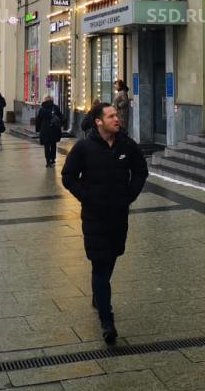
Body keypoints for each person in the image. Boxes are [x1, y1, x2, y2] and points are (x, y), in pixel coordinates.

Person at [62, 103, 148, 343]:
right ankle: (107, 320)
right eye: (111, 116)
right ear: (99, 122)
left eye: (116, 115)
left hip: (118, 216)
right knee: (100, 264)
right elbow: (68, 176)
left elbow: (141, 171)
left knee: (111, 258)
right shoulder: (84, 147)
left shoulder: (127, 145)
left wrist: (129, 195)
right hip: (94, 217)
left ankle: (98, 295)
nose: (116, 119)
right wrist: (87, 197)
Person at [36, 94, 64, 167]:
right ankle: (53, 159)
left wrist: (38, 129)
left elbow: (38, 120)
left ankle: (48, 161)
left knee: (46, 145)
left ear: (44, 100)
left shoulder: (42, 109)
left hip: (45, 130)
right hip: (54, 129)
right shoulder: (55, 108)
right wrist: (60, 125)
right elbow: (61, 117)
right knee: (53, 144)